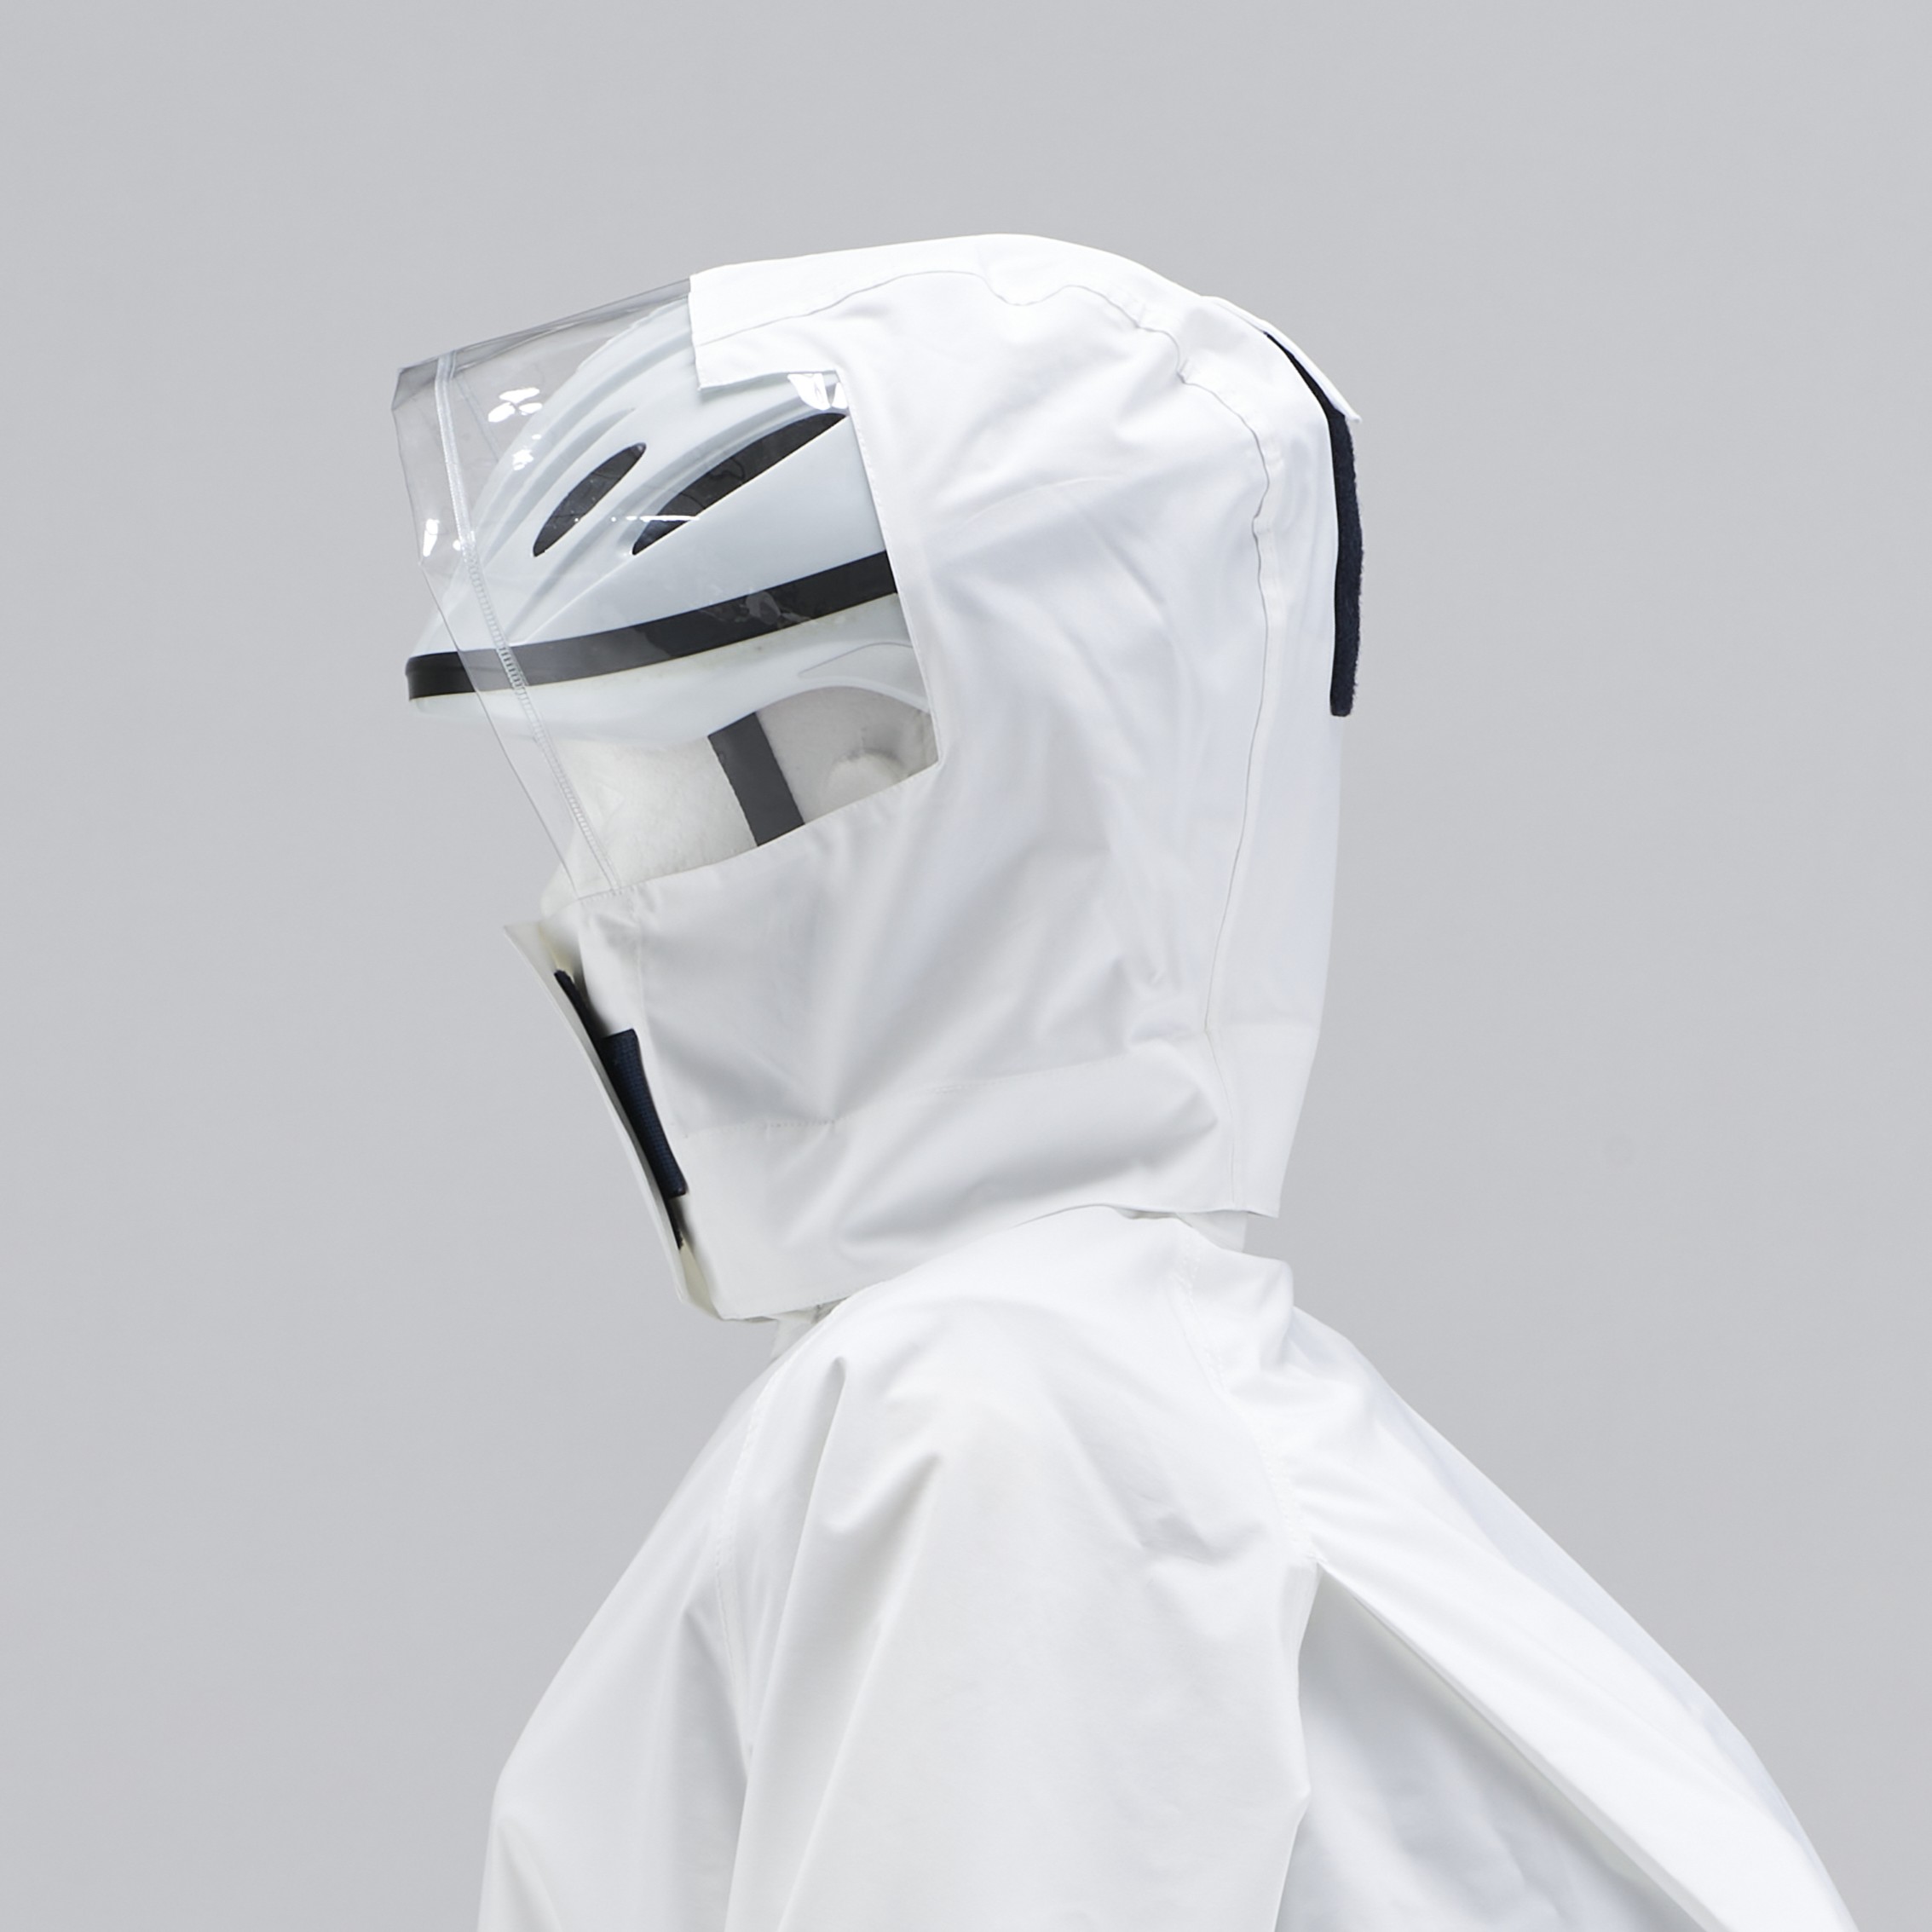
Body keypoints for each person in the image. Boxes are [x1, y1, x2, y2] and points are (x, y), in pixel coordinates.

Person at [395, 235, 1854, 1932]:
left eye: (618, 789)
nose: (578, 890)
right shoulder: (1114, 1392)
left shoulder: (1004, 1417)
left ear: (880, 778)